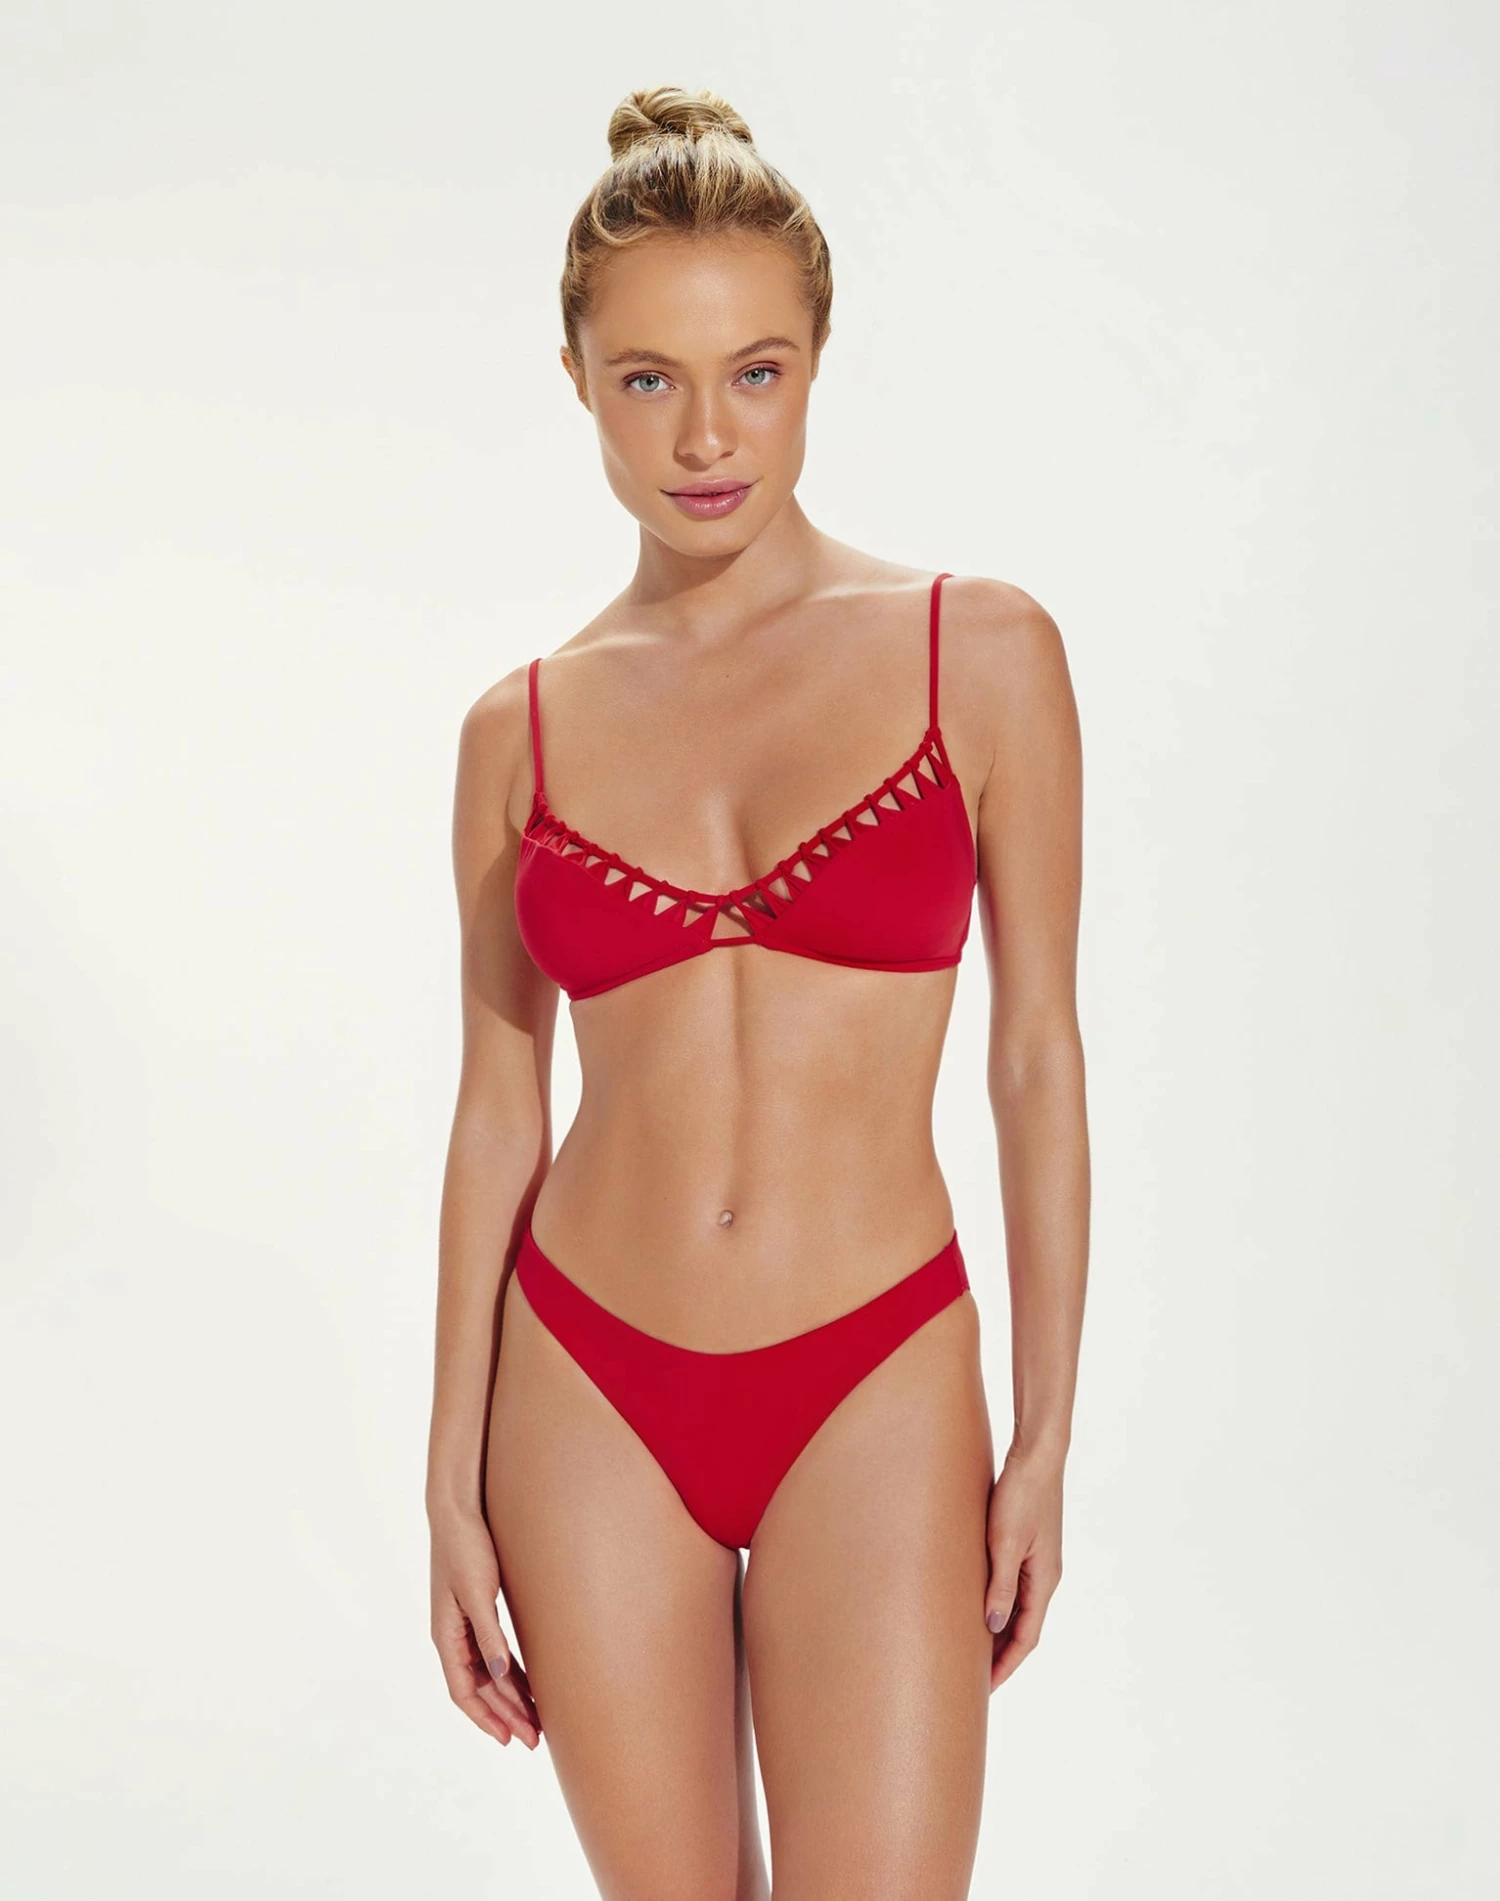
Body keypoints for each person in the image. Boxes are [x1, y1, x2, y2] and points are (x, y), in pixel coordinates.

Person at [425, 84, 1089, 1900]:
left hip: (874, 1368)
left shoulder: (981, 652)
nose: (706, 435)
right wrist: (447, 1485)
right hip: (584, 1387)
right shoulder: (518, 730)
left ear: (817, 364)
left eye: (757, 373)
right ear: (577, 378)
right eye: (648, 378)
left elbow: (1038, 1058)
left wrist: (1044, 1434)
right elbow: (497, 1114)